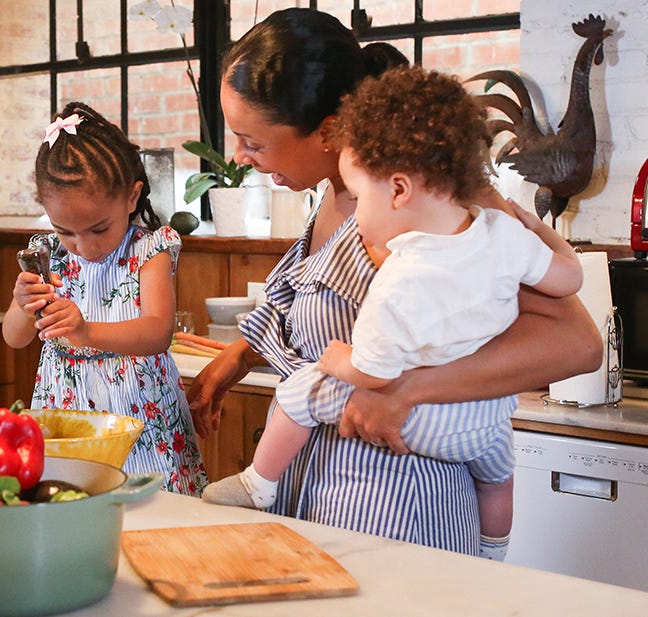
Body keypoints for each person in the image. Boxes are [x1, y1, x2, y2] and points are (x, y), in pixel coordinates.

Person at [187, 8, 601, 557]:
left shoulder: (440, 200)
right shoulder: (336, 194)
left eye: (253, 142)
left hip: (400, 509)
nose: (239, 157)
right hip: (315, 496)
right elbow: (317, 299)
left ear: (330, 130)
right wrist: (240, 353)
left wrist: (407, 390)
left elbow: (577, 343)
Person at [2, 101, 209, 496]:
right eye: (66, 231)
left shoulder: (149, 250)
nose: (84, 246)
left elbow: (157, 332)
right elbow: (15, 338)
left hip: (139, 414)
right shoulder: (48, 255)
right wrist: (21, 302)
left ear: (131, 198)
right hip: (68, 415)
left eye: (98, 229)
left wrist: (85, 329)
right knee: (73, 502)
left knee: (154, 512)